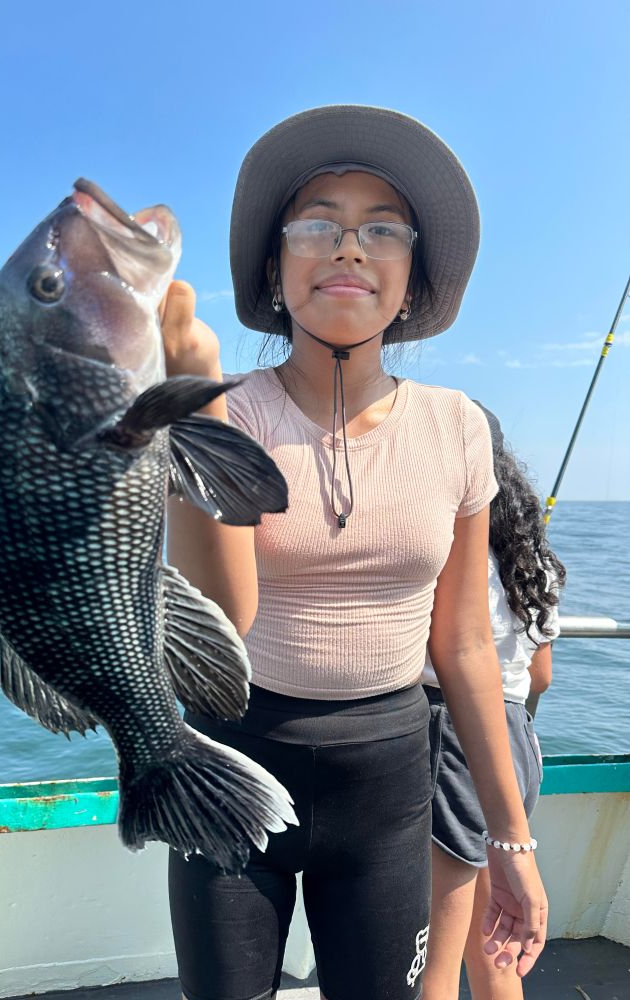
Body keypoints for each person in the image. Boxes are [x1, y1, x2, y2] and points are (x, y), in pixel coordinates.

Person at [161, 105, 548, 1000]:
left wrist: (510, 840)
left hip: (387, 778)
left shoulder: (456, 427)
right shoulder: (223, 408)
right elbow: (222, 622)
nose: (347, 247)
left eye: (381, 228)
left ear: (411, 278)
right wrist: (190, 412)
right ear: (273, 266)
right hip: (230, 759)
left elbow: (466, 648)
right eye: (316, 225)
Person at [422, 404, 565, 1000]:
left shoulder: (437, 553)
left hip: (446, 743)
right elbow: (542, 678)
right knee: (496, 949)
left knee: (431, 954)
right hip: (513, 744)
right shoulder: (531, 563)